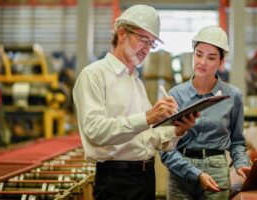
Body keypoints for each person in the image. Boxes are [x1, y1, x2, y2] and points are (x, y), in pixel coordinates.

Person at [72, 5, 198, 200]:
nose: (147, 49)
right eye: (143, 39)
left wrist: (176, 130)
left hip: (145, 176)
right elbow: (95, 132)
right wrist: (148, 117)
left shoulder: (135, 80)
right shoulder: (94, 75)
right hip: (116, 180)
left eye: (151, 43)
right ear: (121, 34)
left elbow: (145, 137)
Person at [160, 25, 251, 200]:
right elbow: (165, 147)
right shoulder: (175, 95)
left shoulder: (233, 96)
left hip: (217, 172)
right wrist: (196, 174)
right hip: (180, 171)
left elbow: (237, 141)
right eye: (198, 54)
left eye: (211, 58)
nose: (202, 62)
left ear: (221, 62)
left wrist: (241, 163)